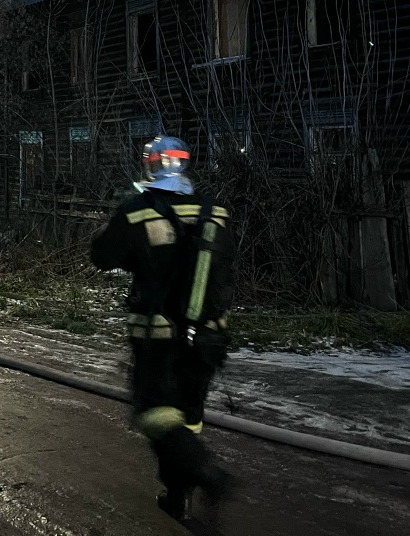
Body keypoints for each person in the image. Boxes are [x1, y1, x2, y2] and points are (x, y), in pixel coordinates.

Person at [90, 135, 236, 526]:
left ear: (151, 163)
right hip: (209, 337)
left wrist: (109, 228)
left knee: (154, 413)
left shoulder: (138, 211)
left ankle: (207, 473)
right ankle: (177, 497)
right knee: (185, 418)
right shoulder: (216, 212)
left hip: (158, 337)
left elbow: (102, 257)